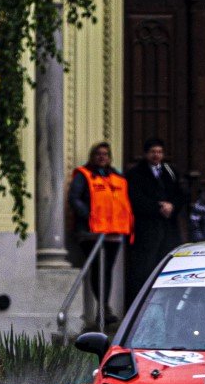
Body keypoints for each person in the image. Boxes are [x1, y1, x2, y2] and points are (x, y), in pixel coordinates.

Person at [67, 142, 132, 325]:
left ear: (110, 157)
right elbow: (74, 198)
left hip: (113, 232)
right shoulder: (84, 175)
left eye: (105, 154)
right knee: (98, 269)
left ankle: (104, 307)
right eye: (98, 154)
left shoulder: (117, 176)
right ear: (92, 156)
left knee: (107, 270)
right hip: (90, 233)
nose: (102, 157)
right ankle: (103, 307)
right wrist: (88, 215)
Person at [124, 137, 190, 304]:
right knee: (144, 269)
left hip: (168, 228)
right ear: (146, 154)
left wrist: (172, 206)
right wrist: (157, 207)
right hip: (146, 229)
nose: (156, 155)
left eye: (159, 152)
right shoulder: (134, 173)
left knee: (167, 266)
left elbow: (181, 194)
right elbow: (135, 199)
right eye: (153, 152)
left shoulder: (170, 171)